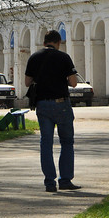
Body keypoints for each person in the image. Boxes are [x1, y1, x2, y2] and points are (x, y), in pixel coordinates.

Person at [25, 30, 80, 193]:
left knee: (46, 143)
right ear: (58, 43)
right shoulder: (64, 57)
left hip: (42, 104)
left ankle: (50, 182)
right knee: (67, 142)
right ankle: (65, 180)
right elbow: (74, 82)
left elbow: (27, 82)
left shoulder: (34, 57)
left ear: (44, 42)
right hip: (61, 103)